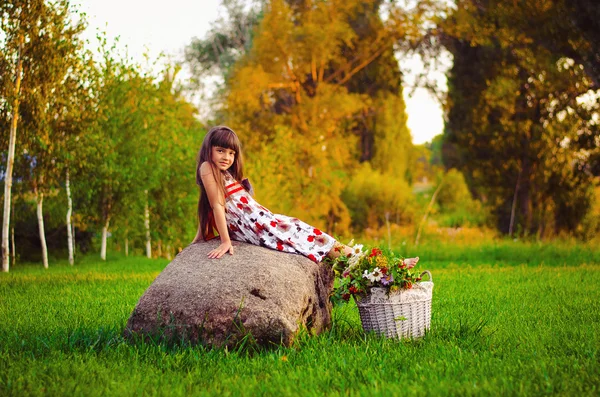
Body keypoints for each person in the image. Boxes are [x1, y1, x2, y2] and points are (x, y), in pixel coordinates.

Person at [192, 125, 354, 262]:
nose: (226, 157)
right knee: (310, 238)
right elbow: (215, 205)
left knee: (306, 232)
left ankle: (363, 262)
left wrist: (200, 237)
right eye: (220, 151)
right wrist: (224, 241)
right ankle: (363, 262)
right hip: (257, 226)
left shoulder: (224, 174)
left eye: (231, 153)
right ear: (209, 149)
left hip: (264, 220)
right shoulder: (207, 166)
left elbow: (208, 204)